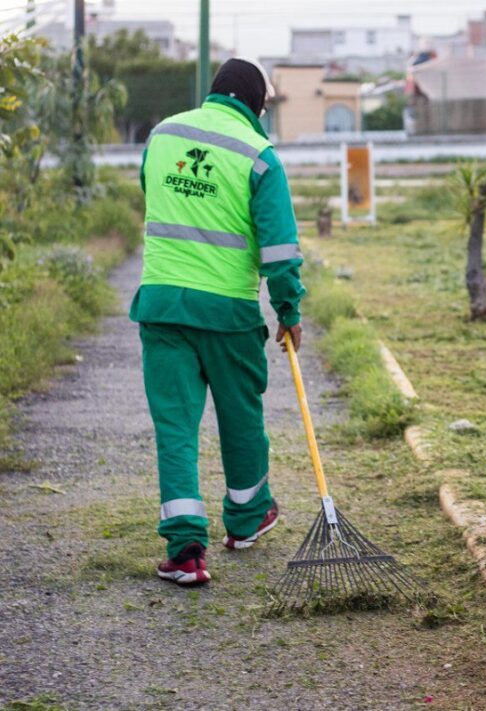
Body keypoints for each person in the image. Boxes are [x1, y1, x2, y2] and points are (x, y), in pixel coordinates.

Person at [130, 57, 305, 585]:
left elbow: (153, 195)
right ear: (254, 102)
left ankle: (185, 551)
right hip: (228, 312)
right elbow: (279, 247)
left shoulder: (161, 136)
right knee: (240, 416)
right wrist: (289, 309)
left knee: (176, 426)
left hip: (162, 306)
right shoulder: (259, 156)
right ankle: (247, 521)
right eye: (267, 105)